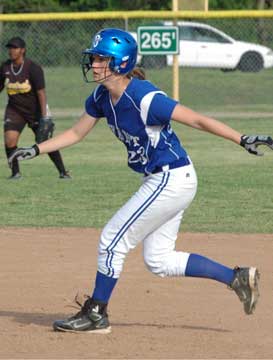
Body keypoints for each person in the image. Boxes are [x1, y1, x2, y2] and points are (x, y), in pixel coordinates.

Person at [8, 28, 273, 334]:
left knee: (111, 240)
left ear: (120, 63)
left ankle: (97, 313)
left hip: (171, 177)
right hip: (167, 179)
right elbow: (76, 133)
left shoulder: (145, 98)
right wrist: (37, 148)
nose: (93, 64)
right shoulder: (101, 96)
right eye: (93, 58)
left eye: (100, 59)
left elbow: (198, 119)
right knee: (159, 260)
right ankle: (236, 277)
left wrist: (241, 139)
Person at [0, 36, 70, 179]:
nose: (11, 51)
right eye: (10, 48)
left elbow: (41, 93)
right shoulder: (5, 67)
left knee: (45, 141)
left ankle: (63, 172)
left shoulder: (33, 68)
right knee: (9, 140)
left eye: (15, 48)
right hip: (15, 110)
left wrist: (44, 116)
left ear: (23, 50)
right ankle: (15, 173)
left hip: (34, 111)